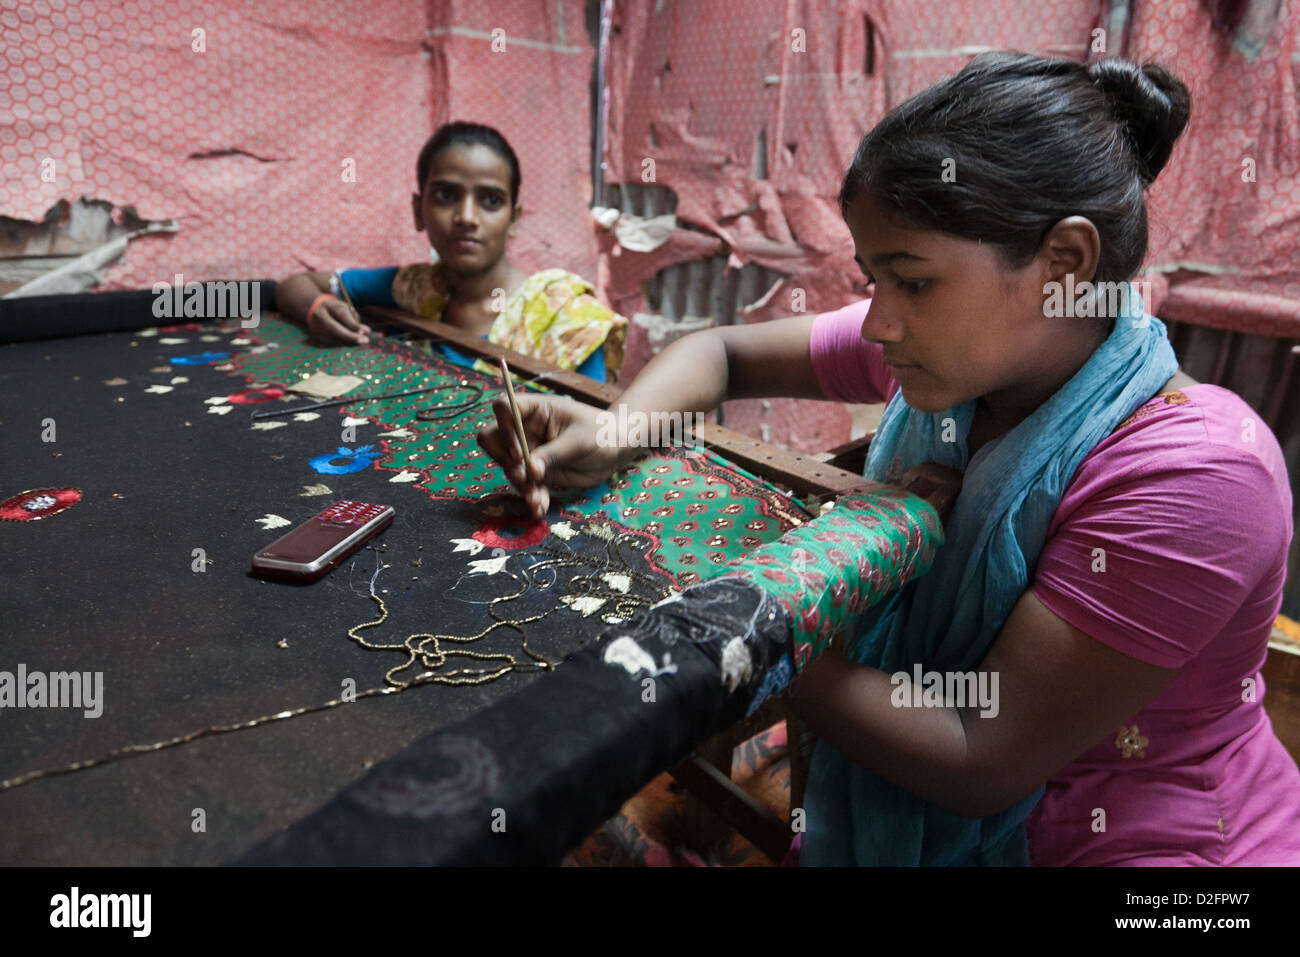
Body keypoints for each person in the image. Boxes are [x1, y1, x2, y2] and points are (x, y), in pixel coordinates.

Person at [477, 52, 1300, 865]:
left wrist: (728, 624)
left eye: (911, 280)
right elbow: (722, 353)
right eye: (874, 280)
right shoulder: (963, 362)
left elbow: (977, 751)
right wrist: (614, 433)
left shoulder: (1198, 476)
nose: (876, 325)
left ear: (1065, 264)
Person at [273, 122, 626, 383]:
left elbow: (591, 438)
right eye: (446, 196)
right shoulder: (417, 288)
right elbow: (295, 285)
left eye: (490, 200)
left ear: (514, 219)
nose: (466, 218)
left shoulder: (565, 317)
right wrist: (318, 309)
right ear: (417, 210)